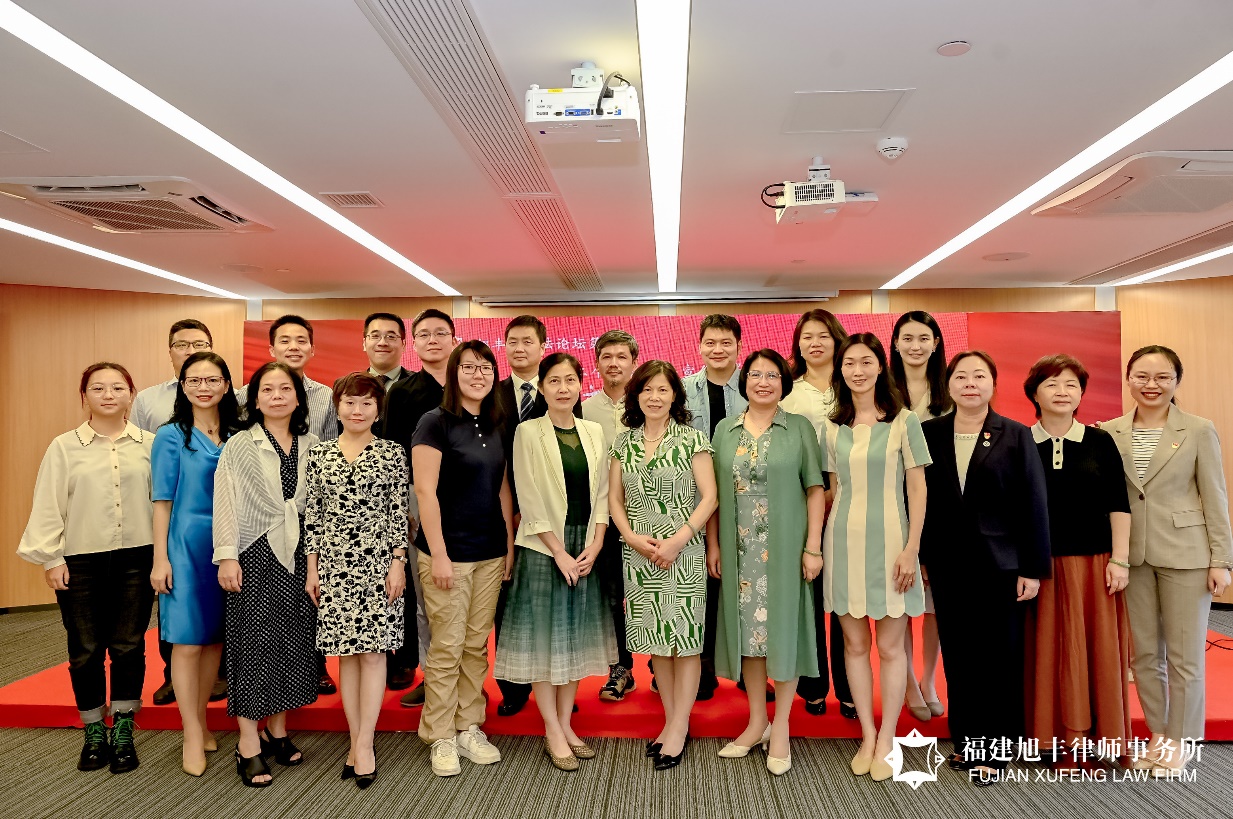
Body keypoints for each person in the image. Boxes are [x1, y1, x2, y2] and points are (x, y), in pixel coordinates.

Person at [919, 351, 1050, 786]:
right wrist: (921, 557)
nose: (970, 384)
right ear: (949, 384)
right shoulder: (930, 433)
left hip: (1002, 565)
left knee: (998, 657)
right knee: (959, 656)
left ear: (993, 384)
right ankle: (968, 740)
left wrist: (1032, 568)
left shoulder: (1015, 434)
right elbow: (919, 502)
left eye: (979, 376)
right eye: (961, 376)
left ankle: (997, 748)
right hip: (948, 564)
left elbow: (1034, 504)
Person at [18, 363, 153, 775]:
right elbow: (48, 503)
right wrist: (51, 558)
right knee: (85, 649)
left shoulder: (150, 444)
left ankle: (124, 728)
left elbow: (162, 503)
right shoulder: (64, 447)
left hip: (137, 558)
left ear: (131, 394)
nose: (108, 395)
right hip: (80, 562)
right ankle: (94, 730)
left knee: (129, 646)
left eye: (117, 387)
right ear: (84, 396)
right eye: (98, 388)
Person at [1102, 345, 1232, 775]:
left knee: (1185, 656)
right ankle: (1158, 734)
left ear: (1176, 381)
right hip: (1132, 556)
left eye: (1162, 377)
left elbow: (1215, 497)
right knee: (1143, 656)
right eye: (1142, 376)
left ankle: (1180, 740)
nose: (1151, 385)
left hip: (1188, 555)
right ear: (1128, 379)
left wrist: (1221, 559)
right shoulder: (1110, 432)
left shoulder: (1198, 429)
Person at [496, 353, 615, 771]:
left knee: (575, 638)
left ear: (581, 385)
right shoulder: (528, 432)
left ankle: (566, 724)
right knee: (545, 641)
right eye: (554, 381)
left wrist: (596, 543)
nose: (563, 388)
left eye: (570, 380)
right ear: (542, 388)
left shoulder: (594, 431)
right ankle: (551, 728)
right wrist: (558, 550)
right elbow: (527, 496)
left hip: (584, 545)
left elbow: (604, 492)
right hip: (544, 547)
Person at [708, 349, 825, 776]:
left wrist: (813, 547)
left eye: (772, 375)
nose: (763, 382)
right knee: (749, 638)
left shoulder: (799, 428)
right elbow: (713, 493)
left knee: (784, 632)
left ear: (783, 383)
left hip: (786, 547)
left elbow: (815, 489)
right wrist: (713, 546)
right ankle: (758, 720)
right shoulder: (725, 429)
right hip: (738, 548)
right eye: (755, 374)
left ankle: (782, 727)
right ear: (744, 381)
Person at [821, 334, 931, 781]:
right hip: (842, 544)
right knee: (854, 645)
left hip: (893, 545)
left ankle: (888, 737)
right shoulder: (832, 427)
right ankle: (867, 734)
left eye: (866, 362)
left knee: (889, 647)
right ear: (841, 370)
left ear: (880, 367)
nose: (858, 371)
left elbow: (918, 488)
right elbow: (830, 491)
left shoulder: (905, 421)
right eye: (849, 363)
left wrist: (911, 549)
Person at [1021, 354, 1132, 770]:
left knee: (1096, 653)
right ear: (1034, 394)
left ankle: (1098, 740)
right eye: (1051, 384)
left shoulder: (1101, 441)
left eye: (1071, 384)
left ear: (1082, 394)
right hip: (1041, 567)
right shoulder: (1019, 441)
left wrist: (1120, 559)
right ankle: (1049, 739)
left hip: (1094, 566)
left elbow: (1119, 504)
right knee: (1047, 654)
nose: (1062, 392)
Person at [213, 363, 320, 787]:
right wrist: (227, 557)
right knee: (253, 644)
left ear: (298, 397)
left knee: (292, 640)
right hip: (253, 553)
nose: (277, 396)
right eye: (267, 390)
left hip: (301, 555)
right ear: (254, 400)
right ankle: (247, 743)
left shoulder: (313, 443)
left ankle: (277, 731)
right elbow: (226, 501)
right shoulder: (240, 444)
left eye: (285, 389)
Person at [412, 341, 514, 778]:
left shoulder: (496, 422)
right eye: (469, 367)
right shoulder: (434, 422)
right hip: (447, 553)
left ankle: (469, 725)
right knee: (448, 645)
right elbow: (424, 491)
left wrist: (508, 546)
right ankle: (440, 734)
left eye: (486, 367)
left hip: (489, 551)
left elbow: (502, 488)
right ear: (454, 373)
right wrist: (438, 553)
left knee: (475, 645)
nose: (478, 374)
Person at [609, 360, 718, 770]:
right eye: (647, 389)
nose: (654, 397)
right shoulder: (624, 442)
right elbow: (615, 499)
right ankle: (673, 723)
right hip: (640, 555)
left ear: (675, 395)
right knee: (658, 642)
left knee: (684, 643)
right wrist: (632, 537)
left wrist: (677, 540)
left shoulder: (693, 439)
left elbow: (710, 497)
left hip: (682, 554)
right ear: (636, 395)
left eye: (663, 390)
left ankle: (678, 726)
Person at [306, 373, 409, 789]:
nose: (358, 410)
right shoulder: (320, 454)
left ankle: (364, 744)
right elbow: (314, 516)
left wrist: (398, 562)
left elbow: (398, 513)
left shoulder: (392, 453)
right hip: (334, 566)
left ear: (378, 410)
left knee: (373, 655)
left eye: (367, 403)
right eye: (350, 402)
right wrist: (312, 568)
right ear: (337, 407)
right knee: (346, 656)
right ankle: (356, 739)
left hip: (379, 564)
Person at [235, 314, 339, 695]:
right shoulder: (244, 396)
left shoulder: (326, 396)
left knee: (308, 601)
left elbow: (330, 450)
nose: (293, 346)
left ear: (312, 348)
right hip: (258, 522)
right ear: (271, 348)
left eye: (301, 340)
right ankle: (256, 682)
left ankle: (315, 666)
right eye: (285, 340)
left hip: (309, 516)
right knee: (260, 612)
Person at [149, 352, 241, 777]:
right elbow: (161, 502)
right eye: (194, 380)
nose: (204, 387)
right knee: (186, 642)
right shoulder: (171, 435)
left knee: (214, 640)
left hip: (230, 546)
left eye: (212, 379)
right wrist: (160, 559)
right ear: (182, 386)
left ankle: (202, 721)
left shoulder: (239, 432)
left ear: (226, 385)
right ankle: (190, 732)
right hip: (185, 547)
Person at [131, 318, 214, 707]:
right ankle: (183, 705)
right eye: (183, 345)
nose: (191, 351)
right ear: (170, 353)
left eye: (199, 344)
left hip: (228, 538)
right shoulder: (156, 410)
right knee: (183, 630)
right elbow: (157, 492)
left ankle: (211, 688)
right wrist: (159, 556)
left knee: (215, 631)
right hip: (182, 538)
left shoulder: (235, 420)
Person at [780, 308, 855, 719]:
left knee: (845, 597)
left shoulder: (854, 386)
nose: (815, 343)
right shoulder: (788, 393)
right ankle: (813, 686)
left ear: (837, 339)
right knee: (807, 598)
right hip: (803, 500)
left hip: (852, 501)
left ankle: (849, 687)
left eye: (823, 335)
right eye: (807, 336)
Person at [383, 308, 458, 707]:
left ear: (454, 340)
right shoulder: (402, 392)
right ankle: (433, 676)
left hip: (468, 499)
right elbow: (393, 454)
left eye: (440, 333)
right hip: (417, 498)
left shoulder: (471, 382)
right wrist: (402, 508)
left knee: (468, 593)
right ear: (414, 343)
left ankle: (466, 678)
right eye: (424, 334)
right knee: (427, 592)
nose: (433, 340)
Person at [889, 311, 952, 722]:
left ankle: (928, 680)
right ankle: (909, 683)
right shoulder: (884, 390)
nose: (915, 345)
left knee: (934, 606)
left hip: (941, 505)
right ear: (895, 344)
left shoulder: (949, 390)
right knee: (901, 603)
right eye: (907, 338)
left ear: (935, 343)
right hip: (894, 504)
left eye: (923, 338)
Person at [681, 314, 746, 700]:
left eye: (726, 342)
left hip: (746, 500)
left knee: (745, 587)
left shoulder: (754, 385)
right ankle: (702, 668)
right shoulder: (683, 390)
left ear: (739, 346)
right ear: (699, 346)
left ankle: (748, 669)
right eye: (710, 342)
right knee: (700, 588)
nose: (718, 349)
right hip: (694, 501)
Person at [349, 312, 415, 692]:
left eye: (392, 335)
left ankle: (403, 658)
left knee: (404, 582)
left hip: (406, 497)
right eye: (375, 335)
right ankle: (363, 652)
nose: (383, 341)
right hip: (355, 506)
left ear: (403, 343)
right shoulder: (350, 388)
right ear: (364, 342)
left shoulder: (418, 386)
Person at [581, 330, 640, 702]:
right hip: (603, 519)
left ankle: (662, 667)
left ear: (634, 362)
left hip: (649, 516)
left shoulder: (650, 403)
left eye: (621, 356)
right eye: (607, 356)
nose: (614, 363)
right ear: (597, 363)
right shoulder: (584, 410)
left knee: (651, 592)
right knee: (613, 596)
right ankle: (621, 668)